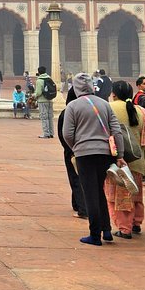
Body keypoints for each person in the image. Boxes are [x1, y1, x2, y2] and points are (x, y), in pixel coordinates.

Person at [60, 73, 126, 246]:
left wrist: (76, 147)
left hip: (84, 154)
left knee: (89, 193)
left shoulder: (73, 106)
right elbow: (116, 130)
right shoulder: (104, 104)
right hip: (104, 153)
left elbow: (67, 133)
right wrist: (120, 155)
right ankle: (106, 230)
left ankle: (95, 235)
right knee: (99, 191)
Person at [105, 80, 145, 239]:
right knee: (135, 193)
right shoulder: (141, 111)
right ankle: (136, 223)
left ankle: (124, 227)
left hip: (117, 161)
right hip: (137, 161)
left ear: (113, 94)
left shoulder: (109, 108)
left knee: (119, 196)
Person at [56, 89, 86, 219]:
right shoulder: (89, 110)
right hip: (89, 149)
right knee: (84, 178)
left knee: (75, 178)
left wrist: (70, 149)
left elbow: (63, 134)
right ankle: (76, 203)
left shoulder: (67, 111)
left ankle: (83, 208)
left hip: (72, 150)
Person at [33, 67, 58, 138]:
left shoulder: (39, 80)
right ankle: (51, 133)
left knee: (44, 117)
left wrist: (33, 95)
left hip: (42, 101)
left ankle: (46, 133)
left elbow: (38, 92)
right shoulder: (49, 79)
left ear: (39, 72)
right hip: (50, 100)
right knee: (50, 117)